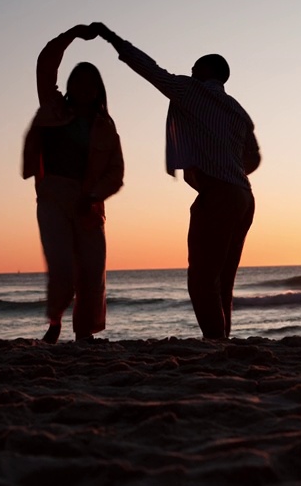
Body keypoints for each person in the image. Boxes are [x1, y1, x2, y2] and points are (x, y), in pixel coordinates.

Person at [90, 22, 261, 339]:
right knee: (223, 280)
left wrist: (110, 36)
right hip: (244, 197)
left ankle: (215, 342)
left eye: (196, 65)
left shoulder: (189, 90)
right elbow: (254, 158)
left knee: (201, 279)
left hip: (221, 195)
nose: (191, 69)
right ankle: (221, 342)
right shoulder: (238, 110)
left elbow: (149, 69)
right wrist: (229, 171)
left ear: (207, 70)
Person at [22, 25, 125, 343]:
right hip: (53, 196)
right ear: (69, 86)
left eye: (90, 83)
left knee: (93, 272)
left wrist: (92, 195)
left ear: (98, 90)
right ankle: (55, 323)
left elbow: (116, 173)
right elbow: (45, 64)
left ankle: (85, 332)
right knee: (62, 266)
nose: (83, 88)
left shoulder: (105, 126)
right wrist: (72, 35)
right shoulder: (53, 108)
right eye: (77, 82)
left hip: (89, 202)